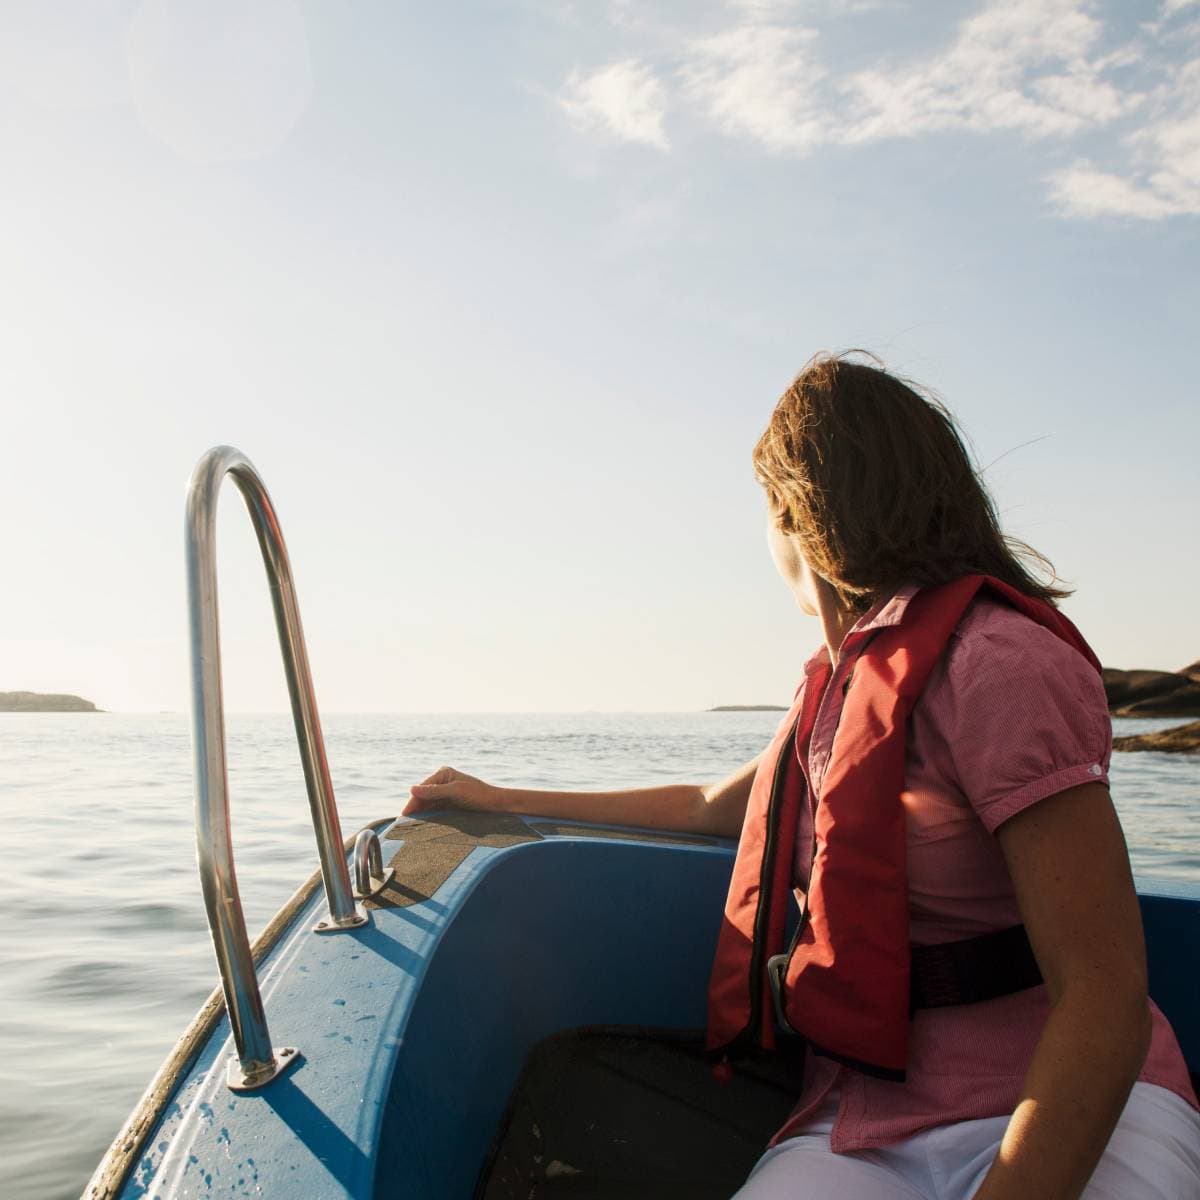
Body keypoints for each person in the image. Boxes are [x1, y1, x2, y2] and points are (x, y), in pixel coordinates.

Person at [402, 354, 1200, 1199]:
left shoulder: (998, 665)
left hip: (1065, 1102)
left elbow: (1105, 995)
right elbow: (718, 806)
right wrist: (500, 799)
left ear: (792, 512)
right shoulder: (837, 685)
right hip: (866, 1118)